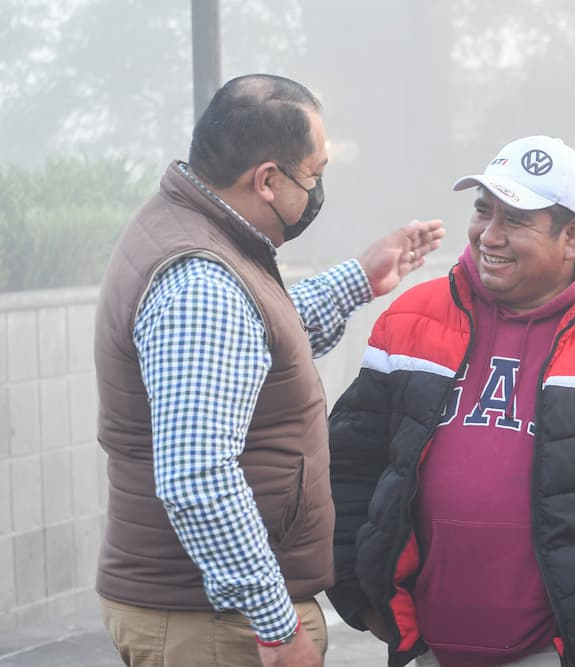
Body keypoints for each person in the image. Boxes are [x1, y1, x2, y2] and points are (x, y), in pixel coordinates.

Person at [93, 74, 445, 667]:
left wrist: (360, 278)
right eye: (315, 173)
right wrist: (277, 629)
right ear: (268, 179)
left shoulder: (192, 231)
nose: (318, 188)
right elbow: (198, 476)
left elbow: (250, 339)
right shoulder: (201, 280)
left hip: (205, 615)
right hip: (213, 625)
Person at [325, 135, 575, 667]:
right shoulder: (409, 320)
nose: (489, 235)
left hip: (564, 652)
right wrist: (364, 598)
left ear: (572, 235)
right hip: (425, 648)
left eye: (516, 220)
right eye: (482, 211)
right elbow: (350, 471)